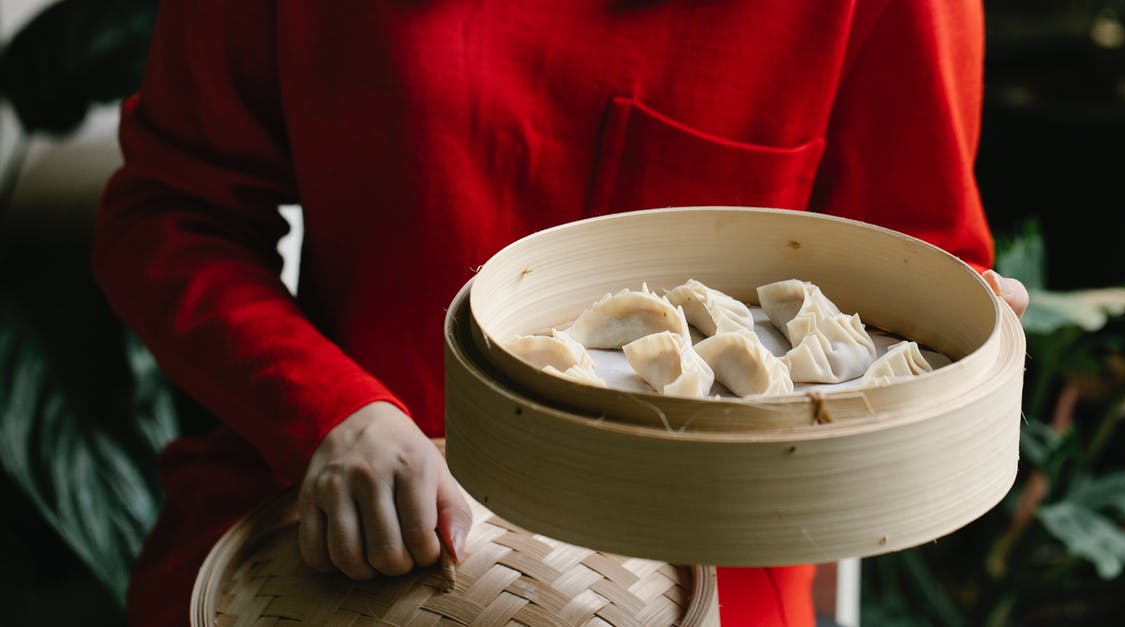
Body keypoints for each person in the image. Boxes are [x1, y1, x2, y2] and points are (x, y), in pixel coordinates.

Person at [93, 1, 1028, 625]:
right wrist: (331, 412)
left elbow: (921, 271)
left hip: (708, 557)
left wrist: (950, 366)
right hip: (330, 506)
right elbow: (171, 212)